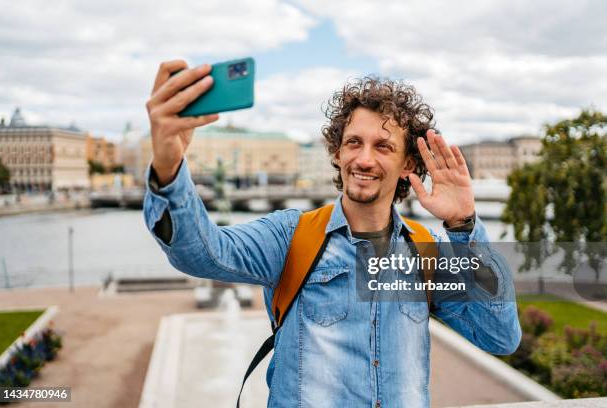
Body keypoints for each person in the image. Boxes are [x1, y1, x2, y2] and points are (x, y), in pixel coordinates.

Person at [143, 60, 521, 408]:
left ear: (408, 163)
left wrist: (464, 227)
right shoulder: (290, 236)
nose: (364, 159)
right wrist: (168, 165)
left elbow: (499, 336)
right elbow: (201, 252)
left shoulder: (426, 252)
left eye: (383, 146)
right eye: (354, 142)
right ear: (337, 153)